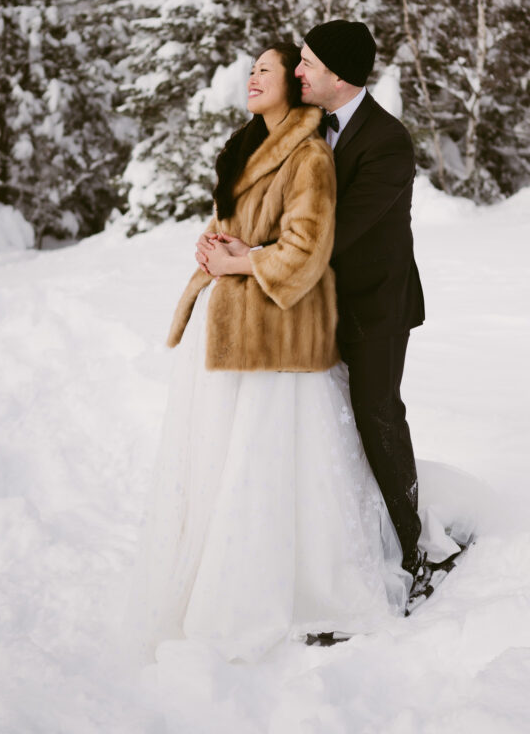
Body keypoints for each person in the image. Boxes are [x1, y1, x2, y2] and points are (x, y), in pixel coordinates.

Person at [122, 42, 410, 665]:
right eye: (253, 69)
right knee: (221, 458)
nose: (256, 77)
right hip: (230, 326)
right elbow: (236, 220)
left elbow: (308, 247)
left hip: (283, 329)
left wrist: (241, 260)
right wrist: (213, 245)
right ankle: (219, 570)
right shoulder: (247, 144)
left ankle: (393, 552)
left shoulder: (313, 153)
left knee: (279, 455)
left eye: (273, 69)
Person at [295, 20, 426, 581]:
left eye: (307, 63)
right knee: (327, 422)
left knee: (377, 418)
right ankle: (348, 534)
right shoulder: (308, 125)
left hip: (375, 309)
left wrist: (253, 257)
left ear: (339, 75)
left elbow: (335, 232)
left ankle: (412, 545)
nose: (297, 71)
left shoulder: (387, 142)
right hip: (317, 305)